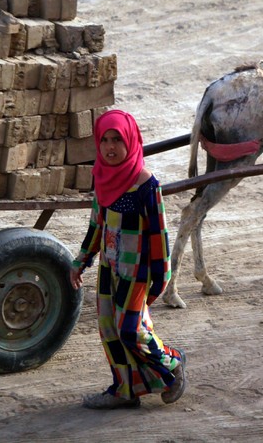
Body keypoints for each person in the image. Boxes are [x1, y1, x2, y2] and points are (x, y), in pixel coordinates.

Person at [69, 109, 187, 409]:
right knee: (109, 330)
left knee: (130, 330)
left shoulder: (145, 184)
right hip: (110, 269)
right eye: (105, 140)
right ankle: (126, 389)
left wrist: (162, 278)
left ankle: (171, 363)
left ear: (131, 140)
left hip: (138, 271)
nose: (110, 147)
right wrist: (81, 260)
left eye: (117, 140)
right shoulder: (102, 177)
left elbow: (159, 234)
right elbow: (97, 223)